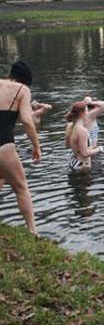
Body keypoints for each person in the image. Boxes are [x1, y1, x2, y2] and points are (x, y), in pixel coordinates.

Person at [0, 61, 41, 235]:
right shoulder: (22, 90)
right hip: (3, 144)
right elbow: (26, 120)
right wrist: (36, 146)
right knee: (21, 187)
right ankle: (33, 232)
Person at [65, 101, 104, 171]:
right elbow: (85, 154)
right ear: (81, 114)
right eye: (86, 111)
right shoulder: (83, 131)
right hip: (82, 166)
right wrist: (99, 149)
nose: (87, 113)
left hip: (73, 162)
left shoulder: (69, 126)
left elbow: (67, 146)